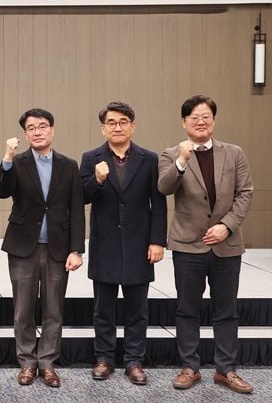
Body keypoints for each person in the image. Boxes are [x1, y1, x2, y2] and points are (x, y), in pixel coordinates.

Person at [158, 95, 254, 394]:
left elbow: (245, 192)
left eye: (206, 117)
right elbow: (163, 187)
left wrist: (227, 226)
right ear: (184, 122)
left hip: (227, 245)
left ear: (213, 120)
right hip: (188, 245)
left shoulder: (234, 153)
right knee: (187, 309)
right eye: (194, 118)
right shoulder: (171, 154)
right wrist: (182, 161)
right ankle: (190, 368)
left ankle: (226, 370)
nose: (200, 122)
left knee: (226, 310)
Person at [0, 108, 84, 388]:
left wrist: (76, 249)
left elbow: (76, 209)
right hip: (23, 246)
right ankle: (27, 362)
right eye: (31, 128)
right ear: (25, 134)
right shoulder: (17, 162)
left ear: (52, 130)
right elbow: (2, 191)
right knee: (23, 308)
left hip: (58, 247)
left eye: (42, 126)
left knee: (53, 308)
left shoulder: (68, 165)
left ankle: (46, 362)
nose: (37, 131)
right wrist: (7, 158)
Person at [80, 102, 167, 385]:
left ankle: (134, 361)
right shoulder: (90, 158)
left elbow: (158, 203)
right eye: (111, 122)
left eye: (123, 122)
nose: (117, 127)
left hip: (139, 246)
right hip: (104, 245)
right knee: (103, 309)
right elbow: (81, 196)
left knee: (137, 310)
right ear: (102, 128)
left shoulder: (149, 159)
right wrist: (97, 179)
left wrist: (157, 241)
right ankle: (104, 358)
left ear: (132, 126)